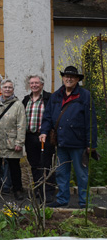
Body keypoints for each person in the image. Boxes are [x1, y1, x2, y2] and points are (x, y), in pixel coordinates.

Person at [40, 66, 97, 208]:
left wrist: (91, 143)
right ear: (63, 78)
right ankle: (62, 200)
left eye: (72, 77)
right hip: (61, 142)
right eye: (66, 76)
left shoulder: (85, 95)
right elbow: (47, 117)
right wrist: (44, 132)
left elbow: (91, 121)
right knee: (61, 173)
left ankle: (84, 203)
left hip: (79, 143)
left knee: (82, 175)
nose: (69, 78)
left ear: (77, 79)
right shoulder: (56, 96)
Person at [0, 79, 26, 200]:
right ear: (1, 89)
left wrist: (20, 142)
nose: (7, 89)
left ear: (13, 90)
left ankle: (17, 189)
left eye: (10, 87)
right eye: (5, 87)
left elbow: (21, 124)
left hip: (12, 142)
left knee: (14, 168)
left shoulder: (18, 105)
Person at [22, 75, 54, 203]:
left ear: (42, 84)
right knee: (34, 164)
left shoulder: (49, 98)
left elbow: (52, 116)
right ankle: (38, 189)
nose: (34, 85)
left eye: (36, 83)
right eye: (32, 83)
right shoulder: (26, 99)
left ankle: (49, 192)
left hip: (44, 136)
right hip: (30, 136)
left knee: (47, 164)